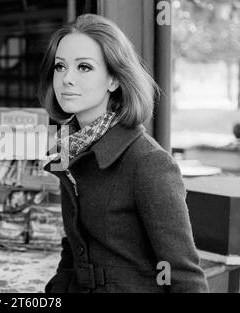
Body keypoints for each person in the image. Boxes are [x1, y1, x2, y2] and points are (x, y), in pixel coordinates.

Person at [39, 14, 209, 293]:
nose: (66, 79)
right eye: (60, 66)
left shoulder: (148, 162)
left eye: (84, 67)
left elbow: (184, 276)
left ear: (114, 80)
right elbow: (74, 252)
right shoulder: (72, 149)